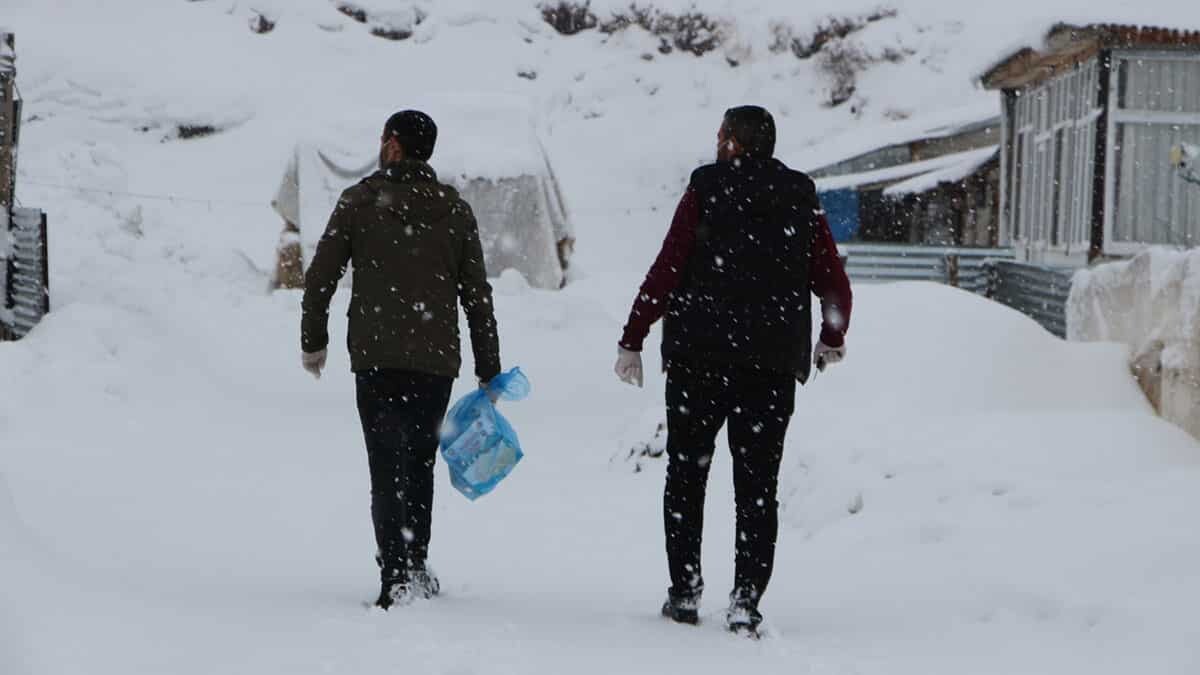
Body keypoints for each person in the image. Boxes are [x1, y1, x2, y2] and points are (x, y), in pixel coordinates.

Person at [614, 105, 852, 637]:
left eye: (721, 134)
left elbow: (668, 267)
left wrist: (634, 334)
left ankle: (685, 590)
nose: (716, 141)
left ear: (733, 143)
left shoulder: (706, 189)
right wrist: (832, 336)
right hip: (768, 367)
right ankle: (746, 599)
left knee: (686, 477)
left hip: (699, 360)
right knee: (757, 484)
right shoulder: (799, 198)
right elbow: (833, 280)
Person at [301, 110, 502, 610]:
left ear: (393, 145)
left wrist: (314, 340)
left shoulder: (361, 202)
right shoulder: (454, 210)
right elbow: (477, 294)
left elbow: (320, 276)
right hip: (435, 361)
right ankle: (414, 562)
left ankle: (395, 572)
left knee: (385, 463)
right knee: (419, 462)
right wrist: (488, 365)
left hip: (376, 357)